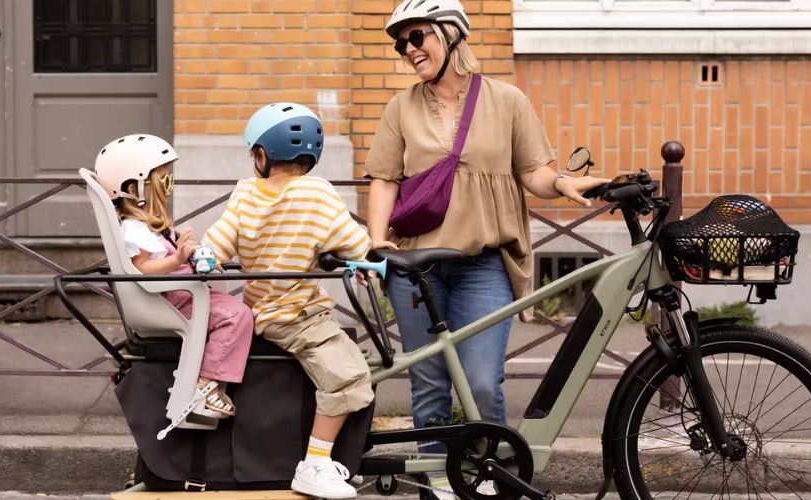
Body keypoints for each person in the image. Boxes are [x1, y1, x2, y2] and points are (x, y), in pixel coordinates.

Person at [363, 0, 611, 497]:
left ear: (452, 34)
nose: (408, 50)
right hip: (418, 265)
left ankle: (486, 472)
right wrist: (376, 241)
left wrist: (563, 184)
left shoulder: (507, 101)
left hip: (483, 264)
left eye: (418, 37)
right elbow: (385, 179)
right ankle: (438, 479)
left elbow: (532, 173)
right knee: (429, 384)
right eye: (401, 42)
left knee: (480, 382)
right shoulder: (400, 107)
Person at [203, 103, 374, 500]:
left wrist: (202, 255)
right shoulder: (318, 195)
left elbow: (217, 246)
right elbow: (355, 244)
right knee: (349, 377)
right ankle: (315, 463)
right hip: (298, 315)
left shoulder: (245, 194)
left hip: (259, 310)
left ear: (261, 156)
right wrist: (369, 257)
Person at [92, 134, 254, 424]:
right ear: (133, 188)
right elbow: (140, 270)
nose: (169, 187)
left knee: (238, 313)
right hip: (174, 299)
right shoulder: (133, 229)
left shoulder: (149, 225)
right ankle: (205, 385)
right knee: (237, 316)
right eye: (164, 181)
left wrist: (194, 256)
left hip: (183, 293)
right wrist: (178, 260)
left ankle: (210, 382)